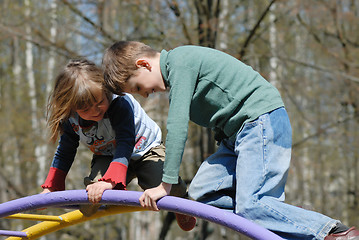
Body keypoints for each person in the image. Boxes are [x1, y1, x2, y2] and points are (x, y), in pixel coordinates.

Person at [101, 41, 359, 240]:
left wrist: (165, 185)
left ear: (144, 65)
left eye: (136, 88)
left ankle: (330, 231)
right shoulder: (178, 75)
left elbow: (178, 125)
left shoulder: (181, 63)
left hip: (260, 122)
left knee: (251, 206)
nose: (144, 95)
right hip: (237, 137)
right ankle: (280, 215)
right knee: (202, 195)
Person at [41, 58, 196, 231]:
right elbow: (65, 151)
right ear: (71, 108)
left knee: (163, 186)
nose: (96, 110)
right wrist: (51, 188)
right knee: (94, 192)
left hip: (145, 149)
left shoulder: (118, 103)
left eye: (100, 102)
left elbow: (125, 142)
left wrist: (110, 181)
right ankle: (108, 196)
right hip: (107, 154)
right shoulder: (70, 120)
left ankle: (181, 199)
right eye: (85, 109)